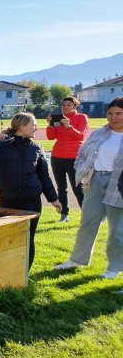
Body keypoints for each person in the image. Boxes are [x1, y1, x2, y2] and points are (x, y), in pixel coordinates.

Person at [0, 112, 62, 270]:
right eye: (33, 124)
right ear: (23, 126)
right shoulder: (1, 145)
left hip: (31, 202)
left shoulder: (37, 148)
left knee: (28, 237)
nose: (36, 128)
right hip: (7, 200)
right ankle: (6, 271)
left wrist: (54, 199)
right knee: (7, 237)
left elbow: (44, 177)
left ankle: (24, 274)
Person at [55, 98, 123, 281]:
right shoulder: (100, 133)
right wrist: (81, 170)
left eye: (118, 114)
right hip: (96, 180)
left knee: (117, 229)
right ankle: (77, 260)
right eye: (110, 113)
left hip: (119, 183)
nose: (113, 117)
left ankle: (114, 268)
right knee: (87, 223)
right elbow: (82, 153)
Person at [45, 97, 89, 222]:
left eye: (69, 105)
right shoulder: (58, 118)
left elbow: (80, 136)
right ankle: (64, 214)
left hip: (74, 157)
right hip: (57, 157)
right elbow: (50, 137)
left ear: (75, 106)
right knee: (61, 187)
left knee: (78, 187)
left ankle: (87, 214)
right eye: (63, 105)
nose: (65, 107)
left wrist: (69, 126)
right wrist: (50, 125)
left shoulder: (81, 118)